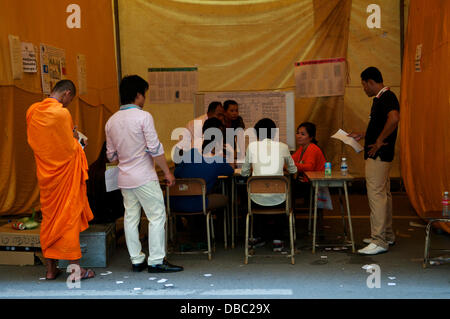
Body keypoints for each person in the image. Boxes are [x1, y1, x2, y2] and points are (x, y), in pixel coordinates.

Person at [105, 75, 183, 273]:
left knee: (131, 217)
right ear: (138, 94)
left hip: (124, 178)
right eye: (144, 94)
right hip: (144, 176)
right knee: (157, 216)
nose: (144, 99)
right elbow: (155, 148)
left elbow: (111, 155)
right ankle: (156, 260)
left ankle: (137, 260)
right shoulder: (143, 117)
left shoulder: (111, 121)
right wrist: (167, 172)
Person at [26, 80, 95, 280]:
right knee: (68, 220)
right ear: (66, 94)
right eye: (70, 99)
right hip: (64, 174)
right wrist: (77, 139)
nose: (68, 103)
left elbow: (38, 141)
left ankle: (50, 270)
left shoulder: (32, 110)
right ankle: (76, 271)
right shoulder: (62, 113)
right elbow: (69, 149)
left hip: (46, 175)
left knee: (49, 221)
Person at [348, 66, 400, 255]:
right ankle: (386, 235)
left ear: (371, 82)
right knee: (384, 195)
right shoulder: (382, 98)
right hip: (381, 155)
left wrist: (378, 141)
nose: (364, 89)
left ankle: (379, 240)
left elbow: (394, 119)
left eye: (364, 85)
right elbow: (381, 124)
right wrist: (363, 135)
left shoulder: (386, 97)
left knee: (376, 196)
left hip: (378, 155)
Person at [240, 118, 297, 251]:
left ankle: (256, 236)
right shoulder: (283, 147)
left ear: (256, 133)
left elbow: (244, 173)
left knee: (247, 193)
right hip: (280, 199)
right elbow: (294, 170)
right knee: (286, 192)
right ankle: (278, 239)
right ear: (274, 133)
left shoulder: (252, 147)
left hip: (255, 200)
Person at [291, 122, 327, 236]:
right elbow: (290, 160)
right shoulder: (302, 148)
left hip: (314, 185)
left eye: (302, 134)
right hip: (306, 183)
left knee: (286, 190)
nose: (298, 136)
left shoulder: (312, 148)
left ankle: (287, 222)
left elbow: (309, 167)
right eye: (298, 133)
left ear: (311, 137)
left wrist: (290, 165)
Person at [87, 141, 125, 224]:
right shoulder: (112, 170)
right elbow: (116, 201)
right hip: (108, 216)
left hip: (90, 215)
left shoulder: (92, 168)